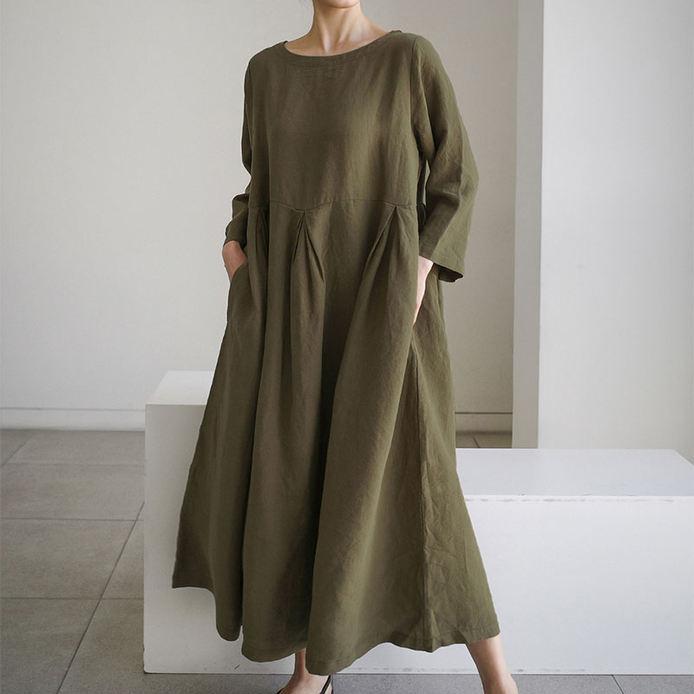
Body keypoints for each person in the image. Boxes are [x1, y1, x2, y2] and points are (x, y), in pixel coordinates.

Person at [172, 3, 518, 694]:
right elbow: (261, 183)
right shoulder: (266, 72)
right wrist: (236, 251)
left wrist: (416, 272)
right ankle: (311, 673)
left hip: (382, 300)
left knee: (425, 483)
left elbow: (456, 179)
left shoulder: (408, 59)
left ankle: (498, 679)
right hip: (285, 306)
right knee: (295, 473)